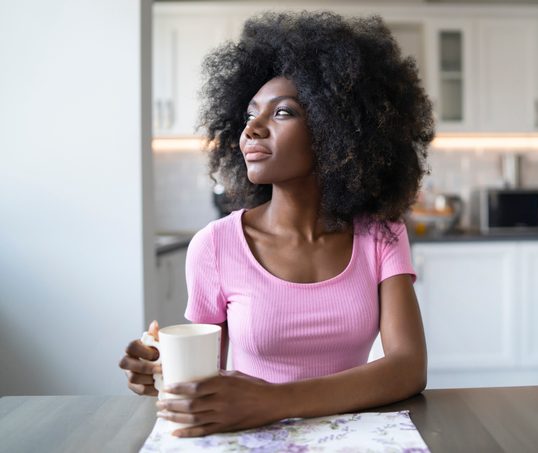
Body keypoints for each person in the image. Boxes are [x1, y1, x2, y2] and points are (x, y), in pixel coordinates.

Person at [119, 10, 434, 438]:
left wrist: (276, 401)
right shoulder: (215, 246)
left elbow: (408, 368)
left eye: (282, 113)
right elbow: (202, 379)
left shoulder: (380, 234)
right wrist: (161, 369)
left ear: (334, 128)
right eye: (250, 114)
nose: (252, 129)